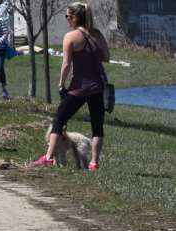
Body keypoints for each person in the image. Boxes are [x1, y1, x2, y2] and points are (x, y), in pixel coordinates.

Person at [33, 2, 108, 171]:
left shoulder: (71, 37)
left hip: (79, 88)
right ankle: (94, 163)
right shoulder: (97, 35)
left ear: (75, 18)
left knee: (59, 120)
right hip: (98, 87)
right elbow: (106, 57)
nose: (67, 19)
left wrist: (61, 83)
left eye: (68, 16)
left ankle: (49, 157)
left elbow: (66, 64)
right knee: (97, 126)